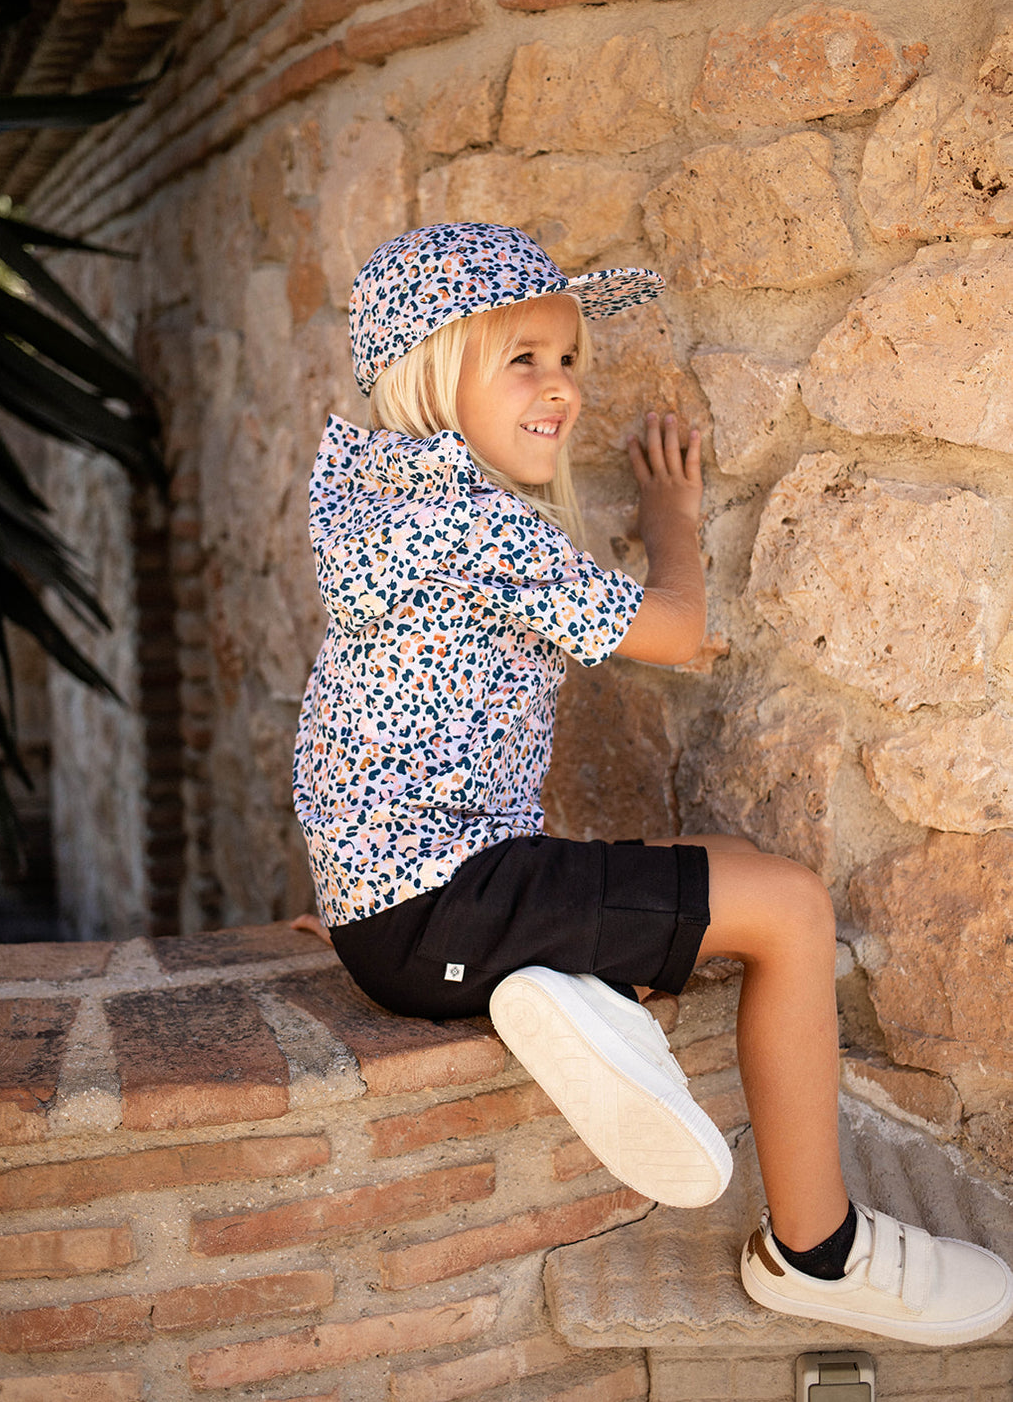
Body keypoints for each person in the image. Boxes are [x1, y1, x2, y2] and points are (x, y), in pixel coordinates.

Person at [291, 221, 1012, 1348]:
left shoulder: (378, 503)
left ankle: (556, 987)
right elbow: (677, 632)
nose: (561, 388)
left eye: (568, 359)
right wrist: (671, 517)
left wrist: (357, 898)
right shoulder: (470, 520)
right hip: (446, 905)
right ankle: (816, 1253)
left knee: (733, 871)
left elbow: (352, 725)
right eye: (522, 360)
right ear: (430, 372)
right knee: (791, 910)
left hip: (414, 902)